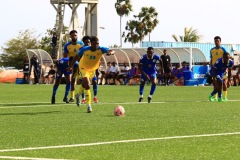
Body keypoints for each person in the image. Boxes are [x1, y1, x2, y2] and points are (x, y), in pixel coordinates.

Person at [68, 36, 115, 113]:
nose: (96, 45)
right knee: (87, 84)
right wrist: (70, 67)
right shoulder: (85, 49)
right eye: (94, 44)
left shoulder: (101, 49)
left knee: (84, 84)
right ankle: (88, 105)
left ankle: (78, 95)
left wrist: (110, 53)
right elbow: (76, 57)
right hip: (83, 67)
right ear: (91, 44)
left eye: (97, 44)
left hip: (92, 69)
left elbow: (112, 50)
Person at [63, 30, 84, 103]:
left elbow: (84, 54)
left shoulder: (81, 44)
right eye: (73, 35)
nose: (74, 36)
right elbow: (65, 56)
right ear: (70, 36)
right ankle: (72, 97)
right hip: (71, 64)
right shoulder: (67, 45)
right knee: (73, 80)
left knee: (82, 80)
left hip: (81, 64)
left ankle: (83, 98)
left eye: (75, 35)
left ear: (77, 36)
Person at [79, 36, 100, 104]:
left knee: (95, 81)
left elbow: (97, 59)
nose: (87, 43)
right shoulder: (82, 49)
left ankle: (95, 97)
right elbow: (78, 58)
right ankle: (83, 98)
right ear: (84, 43)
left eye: (88, 42)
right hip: (84, 68)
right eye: (86, 42)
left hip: (92, 69)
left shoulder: (95, 49)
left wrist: (97, 69)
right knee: (85, 83)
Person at [209, 36, 227, 101]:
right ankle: (215, 97)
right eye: (215, 41)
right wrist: (211, 66)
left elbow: (226, 58)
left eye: (218, 41)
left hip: (222, 69)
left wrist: (226, 68)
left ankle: (224, 97)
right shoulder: (212, 50)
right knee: (215, 83)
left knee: (224, 83)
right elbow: (211, 59)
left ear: (220, 42)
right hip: (214, 69)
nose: (216, 42)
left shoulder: (223, 49)